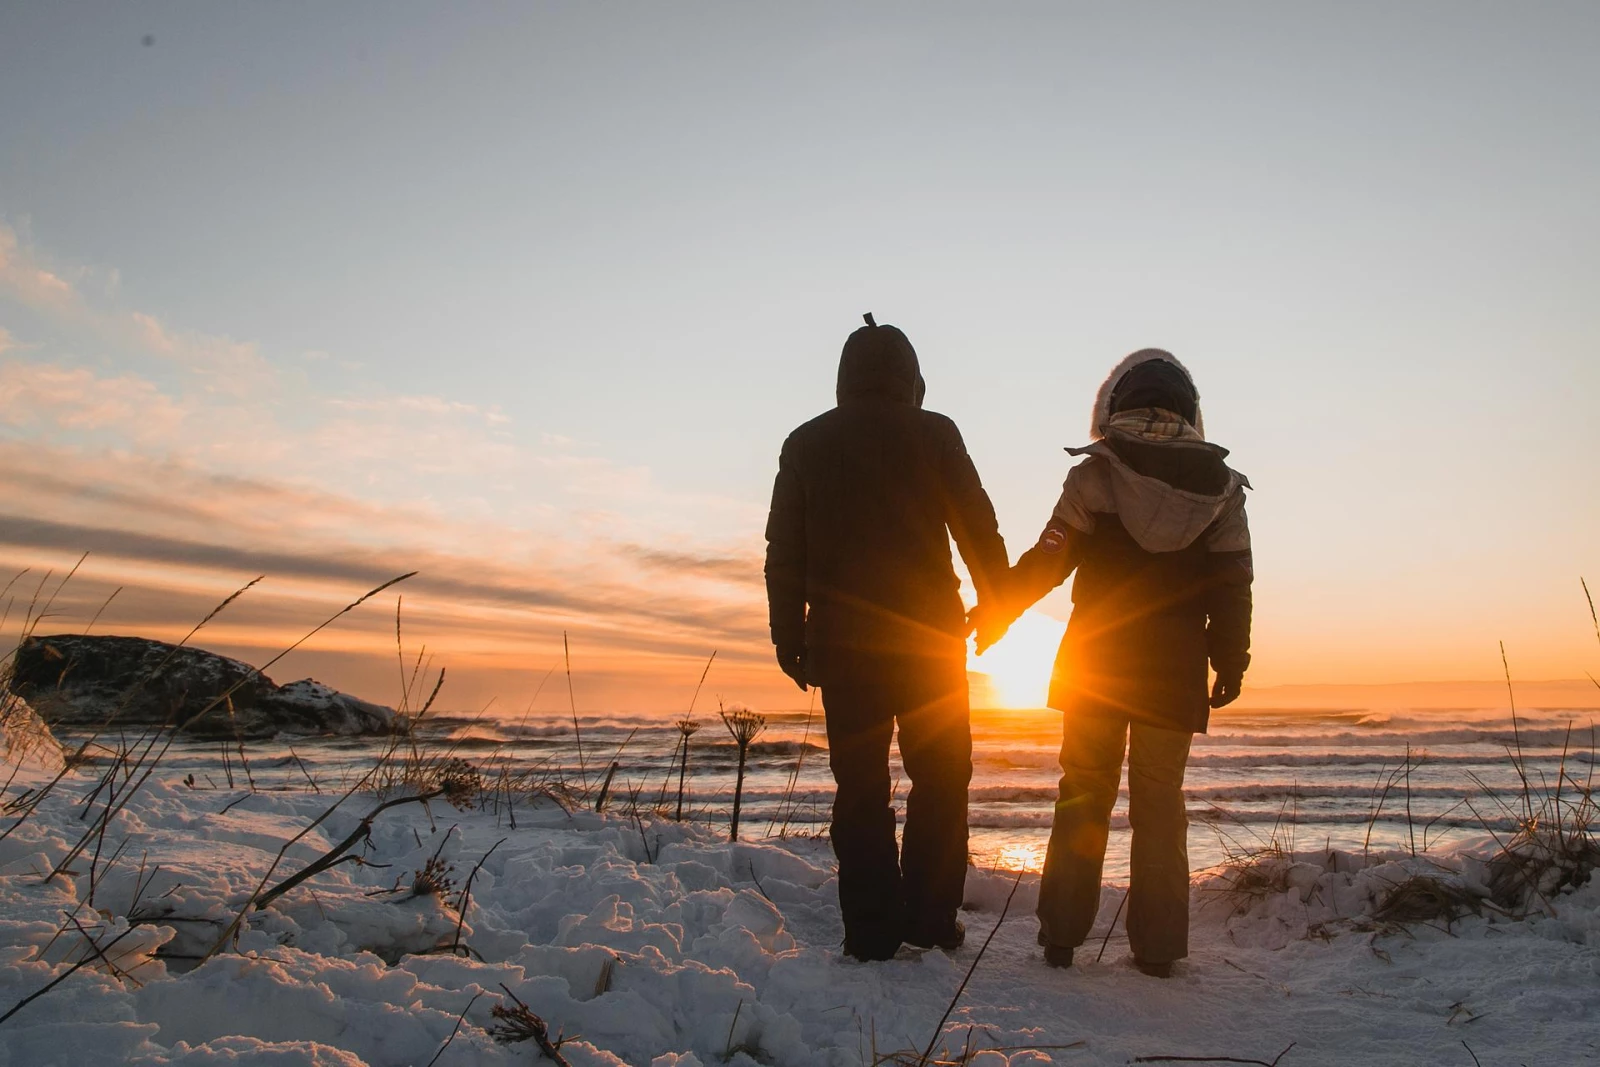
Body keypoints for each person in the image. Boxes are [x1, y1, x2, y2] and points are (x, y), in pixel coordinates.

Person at [971, 348, 1253, 976]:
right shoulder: (1222, 488)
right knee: (1160, 804)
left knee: (1083, 792)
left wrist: (998, 611)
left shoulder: (1095, 475)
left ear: (1115, 405)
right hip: (1174, 670)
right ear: (1188, 409)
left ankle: (1061, 937)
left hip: (1096, 660)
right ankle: (1158, 951)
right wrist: (1231, 661)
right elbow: (1234, 587)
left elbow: (1047, 560)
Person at [764, 314, 1009, 961]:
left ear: (845, 377)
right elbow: (978, 528)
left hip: (845, 648)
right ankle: (930, 920)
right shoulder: (935, 433)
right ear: (911, 379)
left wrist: (788, 636)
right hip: (928, 642)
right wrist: (998, 606)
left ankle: (871, 931)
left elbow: (784, 553)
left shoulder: (806, 442)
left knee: (861, 789)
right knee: (942, 778)